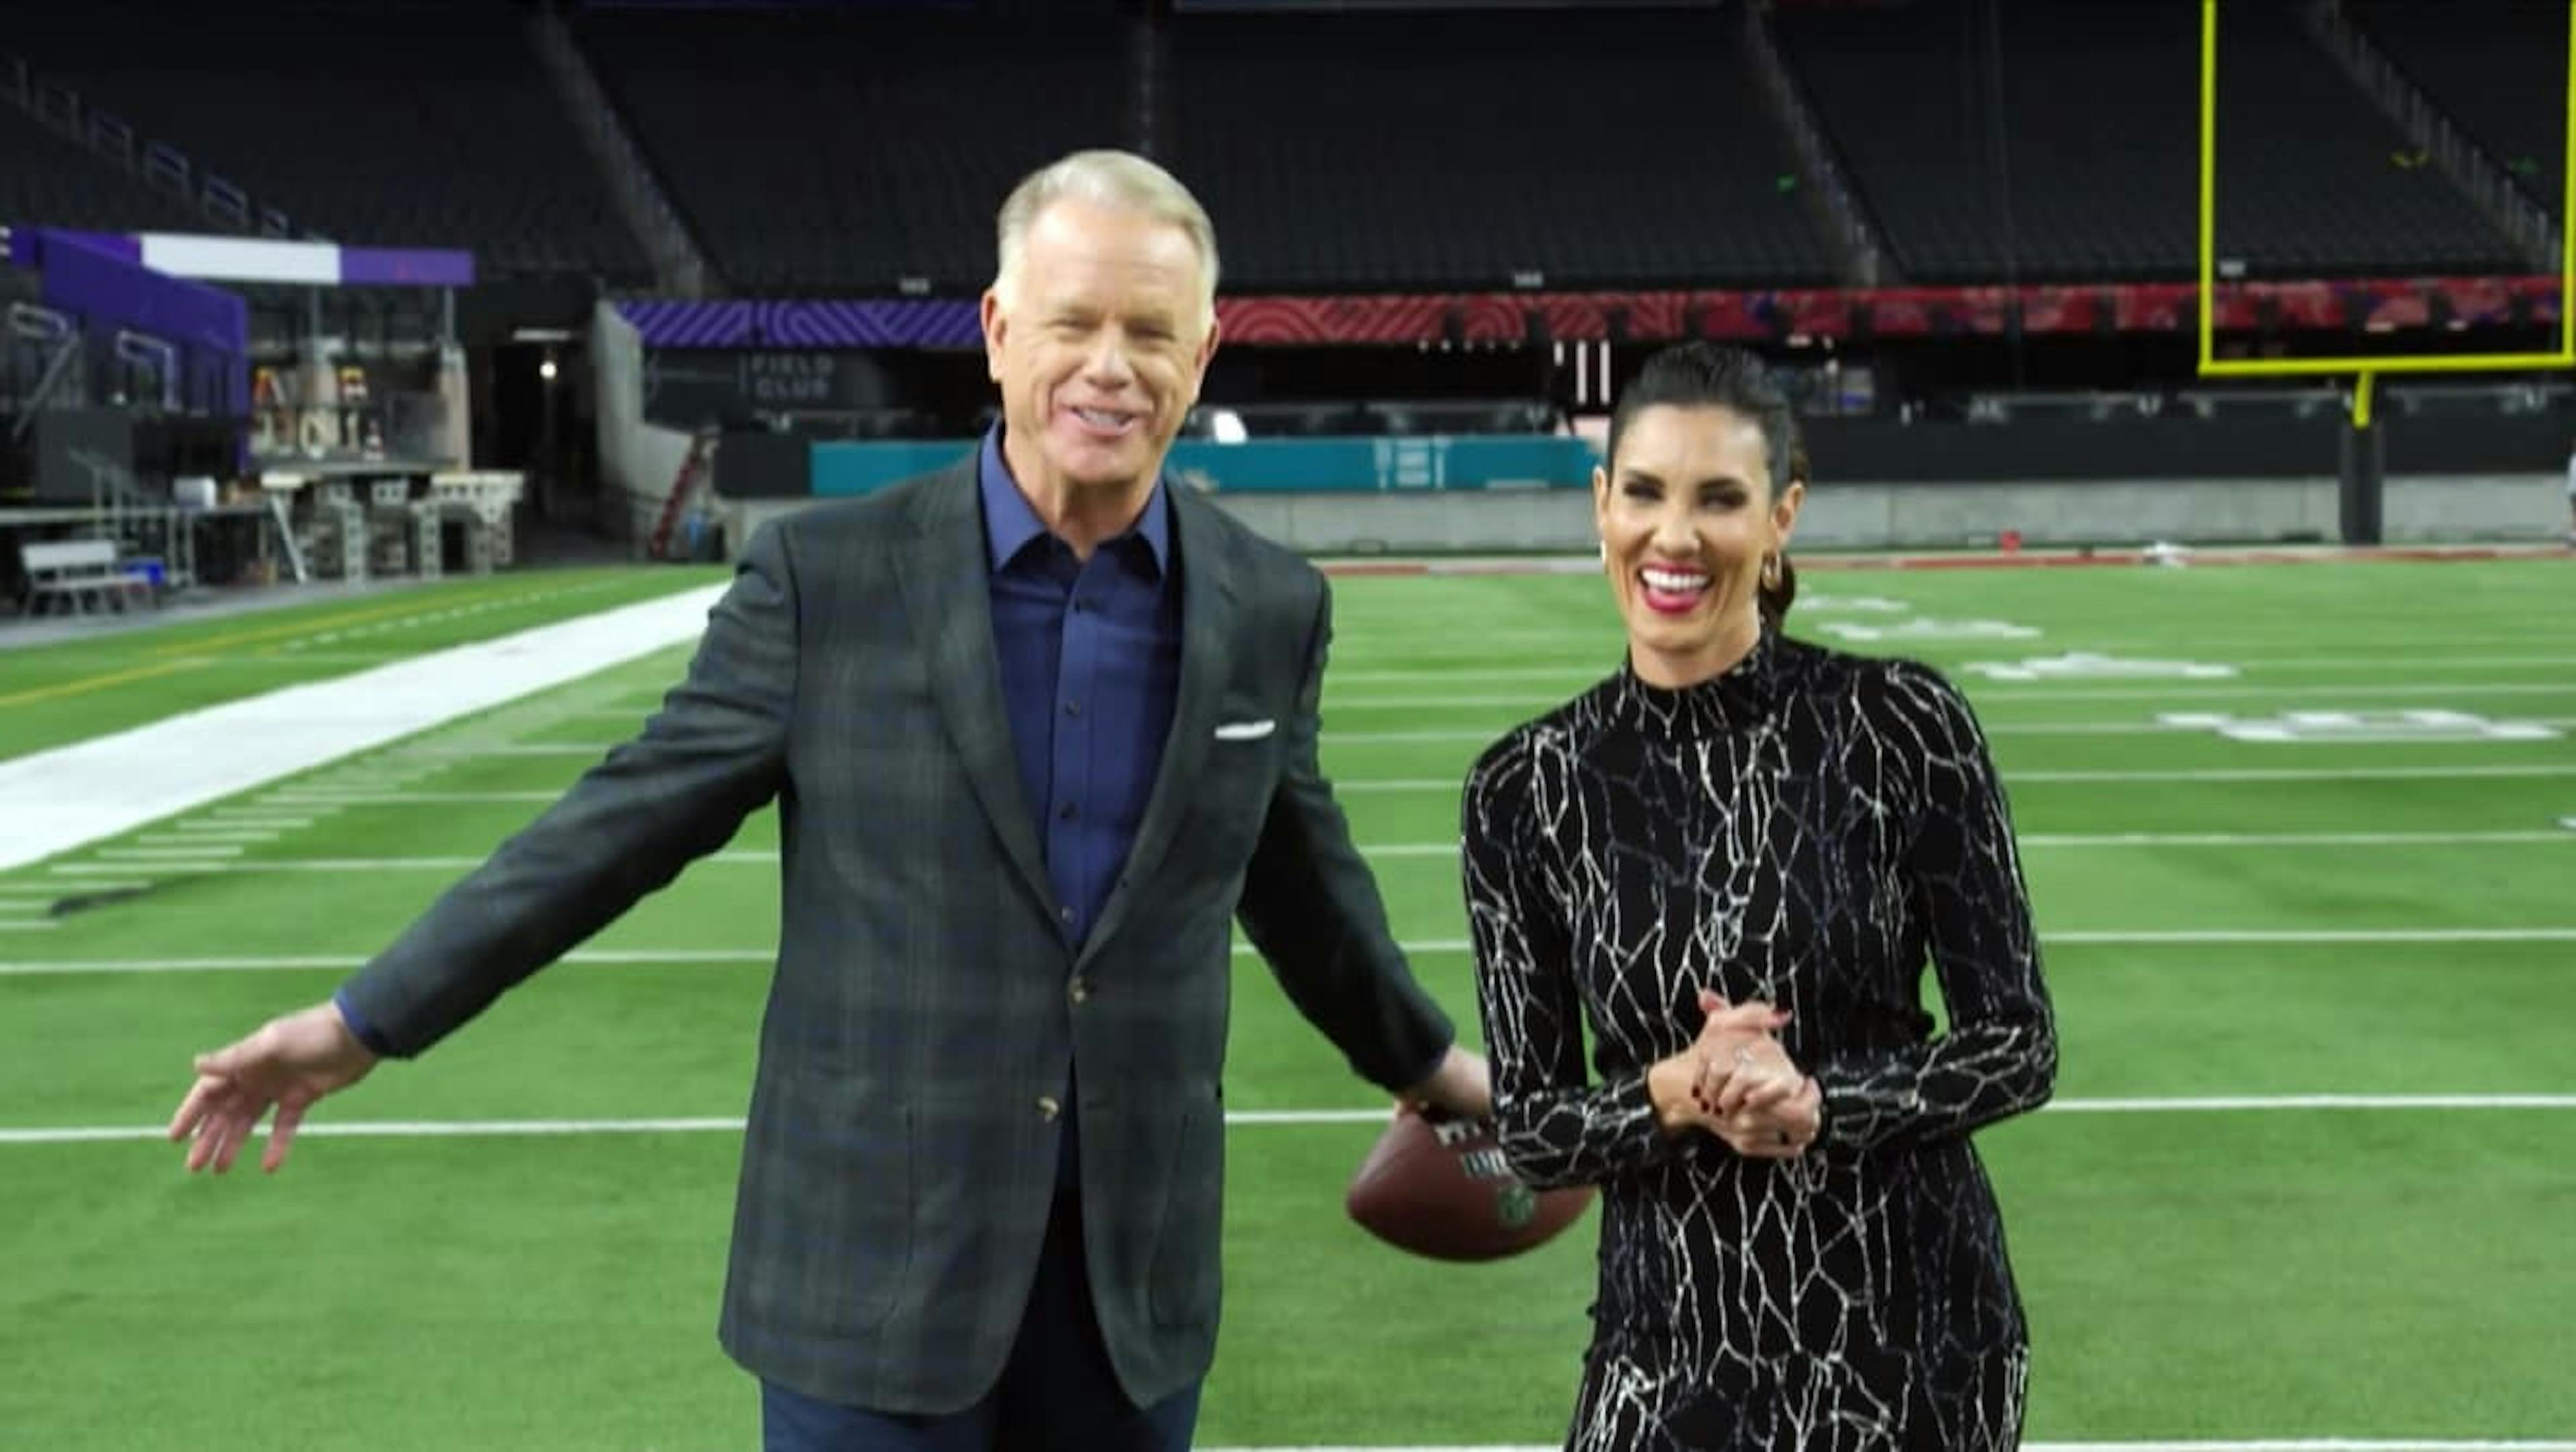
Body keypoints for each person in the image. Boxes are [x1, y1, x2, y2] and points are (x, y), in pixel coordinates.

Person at [167, 148, 1492, 1452]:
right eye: (1072, 321)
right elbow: (616, 829)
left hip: (1127, 1297)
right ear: (996, 330)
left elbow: (1308, 891)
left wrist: (1437, 1072)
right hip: (866, 1285)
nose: (1111, 364)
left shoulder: (1269, 606)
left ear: (1202, 354)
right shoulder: (826, 582)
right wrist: (365, 1021)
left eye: (1151, 330)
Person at [1462, 342, 2056, 1450]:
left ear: (1782, 515)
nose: (1673, 537)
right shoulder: (1523, 789)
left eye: (1720, 499)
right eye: (1643, 492)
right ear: (1600, 506)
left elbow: (2019, 1042)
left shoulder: (1903, 727)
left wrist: (1821, 1104)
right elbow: (1536, 1130)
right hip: (1667, 1349)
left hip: (1917, 1343)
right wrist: (1681, 1091)